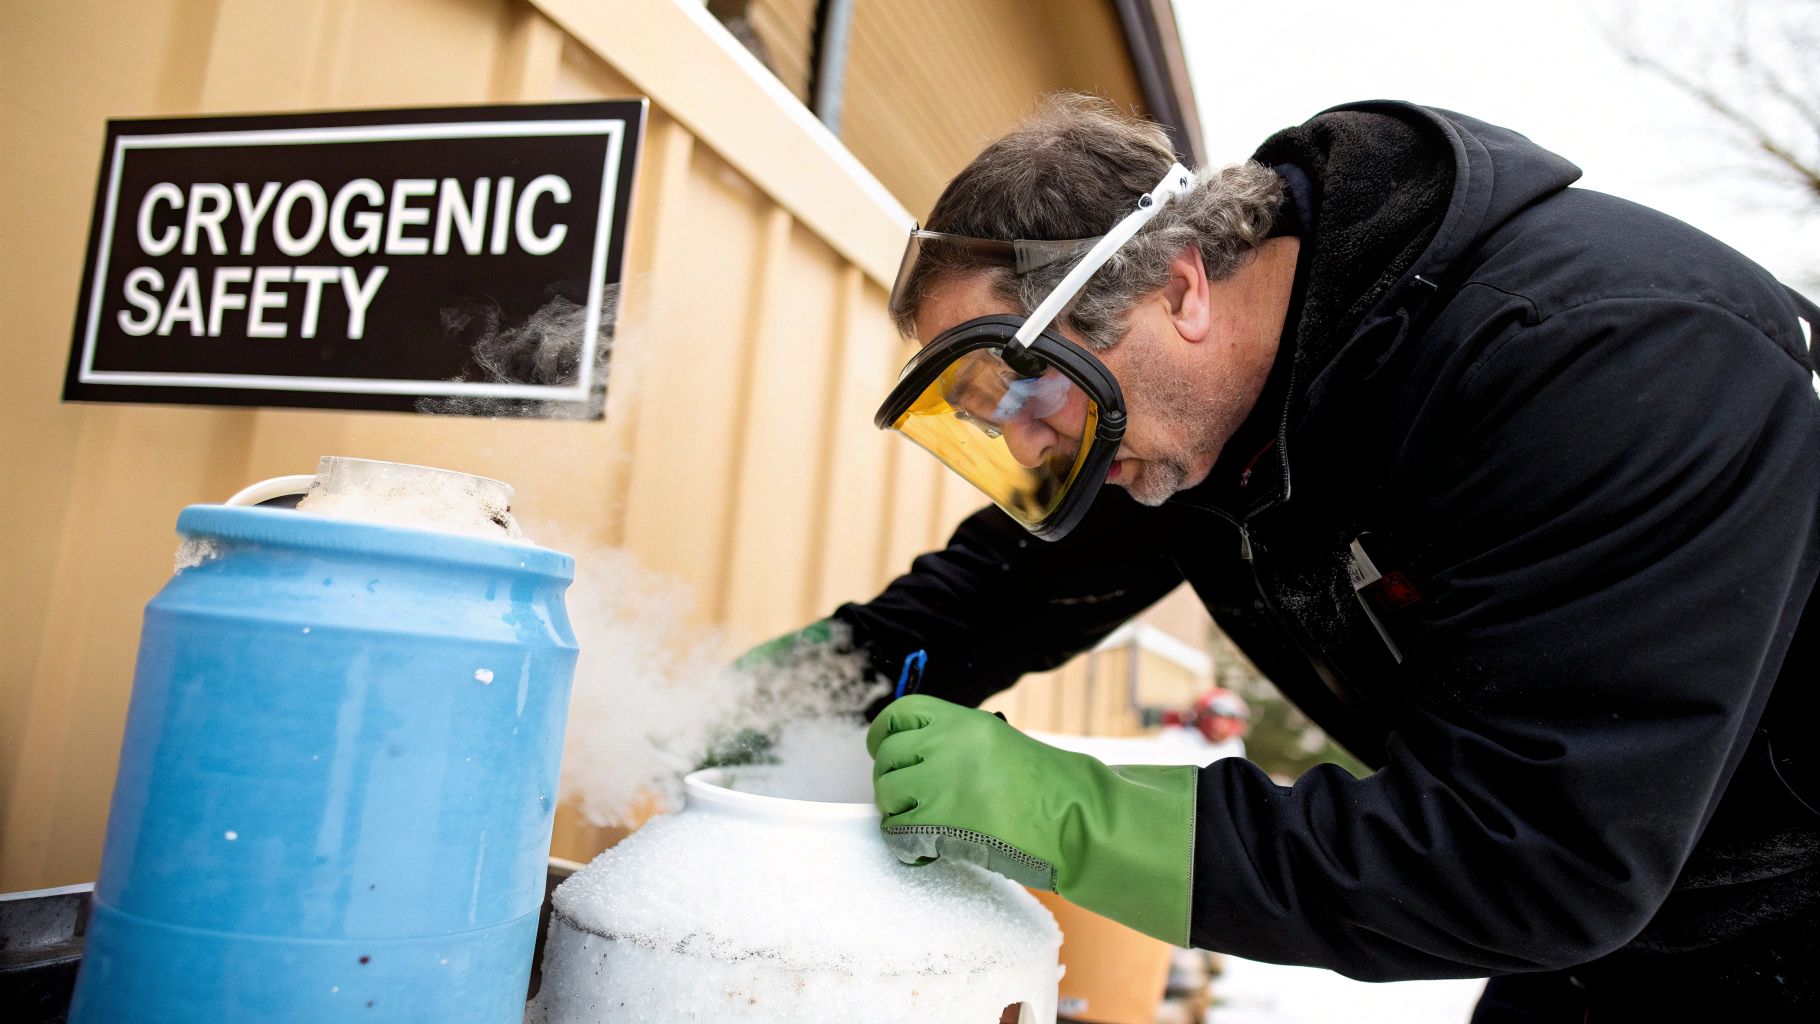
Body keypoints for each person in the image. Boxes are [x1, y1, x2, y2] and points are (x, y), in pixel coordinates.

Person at [756, 95, 1819, 1017]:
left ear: (1178, 288)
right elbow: (995, 593)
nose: (1030, 446)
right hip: (1621, 948)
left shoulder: (1601, 360)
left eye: (1025, 390)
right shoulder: (1209, 407)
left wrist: (1070, 814)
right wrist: (777, 696)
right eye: (986, 420)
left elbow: (1536, 855)